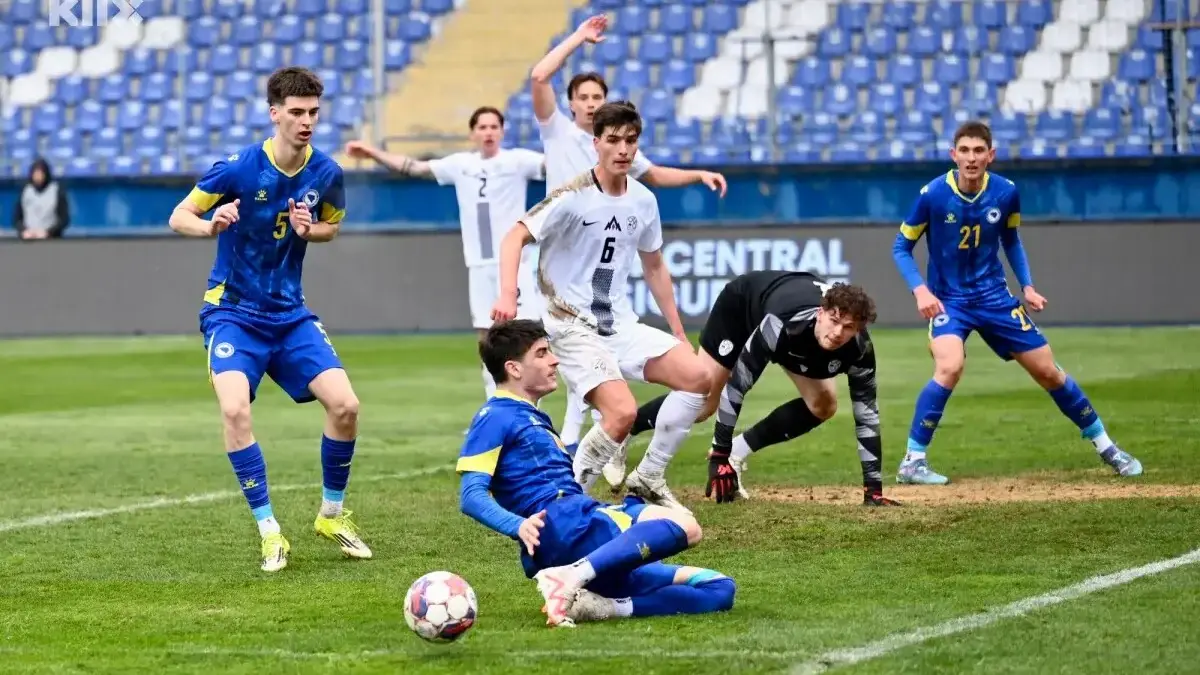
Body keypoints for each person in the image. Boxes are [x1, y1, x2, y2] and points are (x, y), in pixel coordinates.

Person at [168, 66, 370, 573]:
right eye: (297, 113)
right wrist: (210, 223)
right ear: (274, 113)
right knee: (235, 410)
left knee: (345, 406)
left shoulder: (326, 173)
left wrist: (310, 229)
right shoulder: (238, 169)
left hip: (290, 315)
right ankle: (270, 532)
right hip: (232, 313)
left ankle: (332, 515)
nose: (306, 122)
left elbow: (331, 229)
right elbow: (179, 216)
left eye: (313, 113)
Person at [891, 120, 1143, 485]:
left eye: (979, 151)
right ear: (953, 155)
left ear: (990, 156)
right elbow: (901, 246)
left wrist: (1027, 286)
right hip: (950, 303)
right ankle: (913, 461)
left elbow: (1011, 239)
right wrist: (920, 290)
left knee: (1049, 372)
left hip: (995, 299)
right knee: (949, 366)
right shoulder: (932, 195)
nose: (971, 158)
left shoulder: (1006, 192)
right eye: (964, 150)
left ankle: (1107, 447)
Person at [531, 13, 729, 475]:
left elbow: (655, 177)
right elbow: (540, 75)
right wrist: (580, 37)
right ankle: (564, 442)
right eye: (583, 97)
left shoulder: (624, 155)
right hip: (553, 256)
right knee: (536, 353)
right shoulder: (559, 133)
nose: (590, 103)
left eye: (598, 96)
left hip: (599, 271)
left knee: (606, 370)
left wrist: (698, 174)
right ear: (574, 106)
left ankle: (604, 443)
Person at [490, 101, 711, 512]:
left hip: (619, 325)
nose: (623, 149)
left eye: (630, 140)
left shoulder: (643, 201)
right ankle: (565, 501)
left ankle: (649, 476)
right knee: (621, 413)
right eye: (613, 140)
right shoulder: (571, 197)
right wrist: (507, 293)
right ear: (597, 143)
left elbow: (655, 265)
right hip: (571, 328)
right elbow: (513, 237)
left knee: (698, 379)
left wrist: (678, 332)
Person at [457, 319, 736, 627]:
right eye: (541, 353)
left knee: (719, 587)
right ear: (514, 369)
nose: (554, 360)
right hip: (565, 523)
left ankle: (601, 606)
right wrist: (518, 525)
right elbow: (471, 495)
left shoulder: (529, 415)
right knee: (686, 526)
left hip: (575, 530)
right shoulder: (495, 415)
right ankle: (571, 577)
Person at [629, 272, 897, 506]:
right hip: (743, 307)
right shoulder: (781, 326)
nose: (838, 331)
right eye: (834, 320)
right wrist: (717, 457)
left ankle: (738, 452)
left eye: (848, 327)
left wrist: (873, 490)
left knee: (823, 405)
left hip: (794, 334)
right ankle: (626, 428)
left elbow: (867, 416)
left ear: (859, 329)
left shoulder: (860, 350)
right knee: (705, 401)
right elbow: (736, 388)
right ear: (820, 313)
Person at [344, 107, 546, 399]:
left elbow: (558, 165)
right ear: (472, 133)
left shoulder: (519, 161)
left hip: (515, 264)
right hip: (478, 265)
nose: (488, 132)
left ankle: (531, 408)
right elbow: (413, 167)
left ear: (502, 132)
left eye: (493, 126)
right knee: (486, 339)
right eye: (482, 127)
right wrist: (372, 152)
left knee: (528, 338)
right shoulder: (460, 164)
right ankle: (494, 406)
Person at [13, 157, 70, 240]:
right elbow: (16, 218)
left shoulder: (57, 191)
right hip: (28, 238)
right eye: (35, 173)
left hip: (51, 239)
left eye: (40, 173)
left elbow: (64, 219)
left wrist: (49, 232)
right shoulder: (25, 191)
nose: (38, 176)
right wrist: (24, 231)